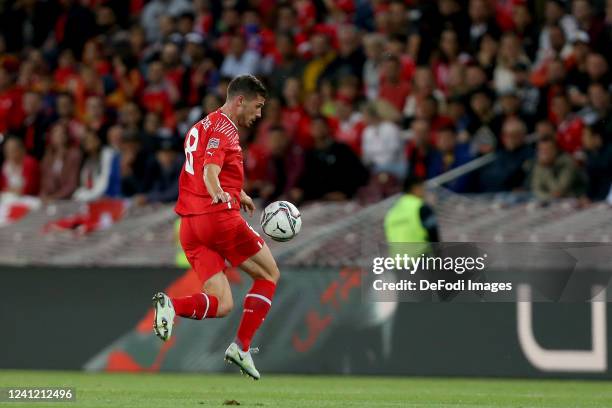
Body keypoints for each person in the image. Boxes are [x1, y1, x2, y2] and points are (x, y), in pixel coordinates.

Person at [152, 75, 276, 381]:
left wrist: (238, 192)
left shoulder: (200, 126)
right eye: (257, 107)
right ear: (239, 101)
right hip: (217, 218)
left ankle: (171, 306)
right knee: (269, 275)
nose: (258, 115)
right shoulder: (226, 129)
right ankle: (242, 347)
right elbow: (210, 170)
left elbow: (201, 169)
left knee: (222, 304)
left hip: (190, 227)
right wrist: (218, 192)